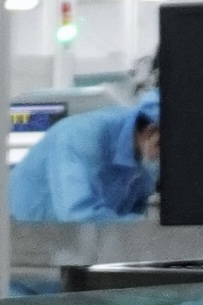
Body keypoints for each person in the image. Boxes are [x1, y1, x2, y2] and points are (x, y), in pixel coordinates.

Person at [9, 87, 159, 222]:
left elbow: (134, 211)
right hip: (23, 233)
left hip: (75, 238)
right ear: (151, 132)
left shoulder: (143, 158)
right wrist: (146, 226)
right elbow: (78, 217)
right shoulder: (82, 138)